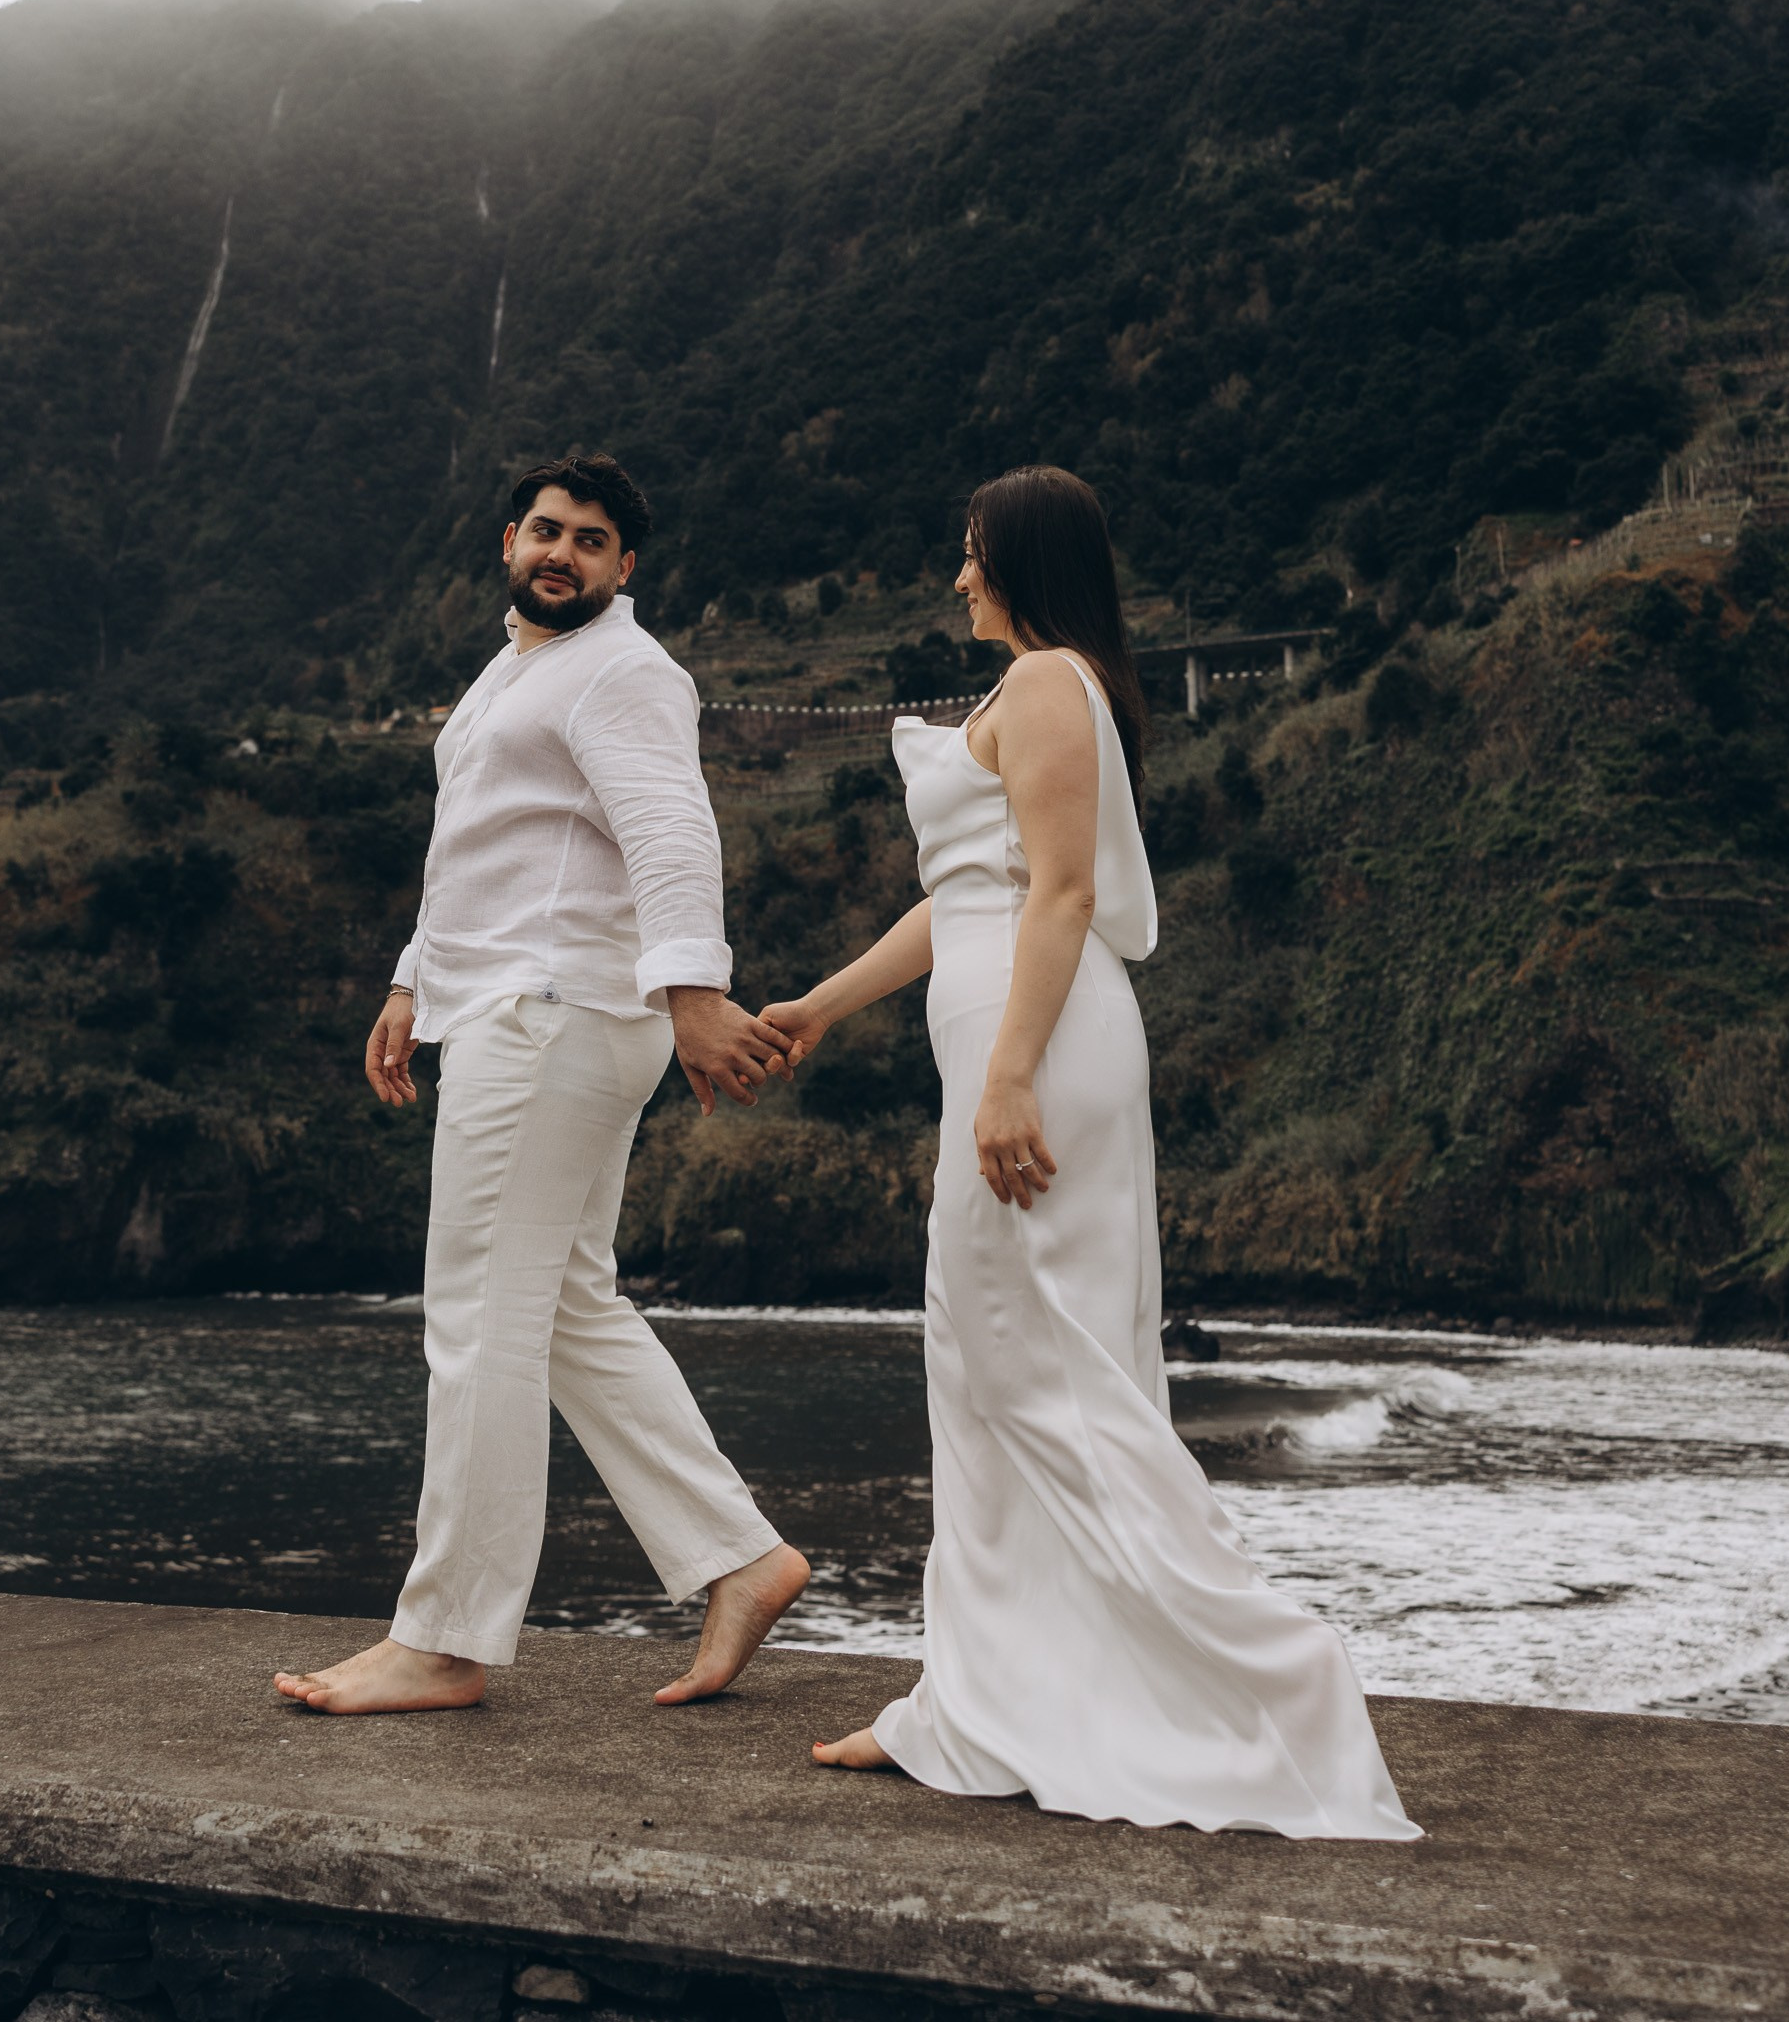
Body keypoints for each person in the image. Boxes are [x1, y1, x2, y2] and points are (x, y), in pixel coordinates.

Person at [764, 466, 1418, 1836]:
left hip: (1042, 1050)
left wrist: (1007, 1079)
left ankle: (1271, 1683)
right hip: (1010, 1041)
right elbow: (966, 897)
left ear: (1021, 558)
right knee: (988, 1365)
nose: (957, 578)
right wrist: (822, 1006)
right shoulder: (1024, 693)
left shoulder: (1054, 683)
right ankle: (981, 1700)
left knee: (1043, 1368)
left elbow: (1058, 894)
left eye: (970, 553)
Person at [274, 448, 809, 1716]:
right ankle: (741, 1558)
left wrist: (691, 995)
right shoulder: (514, 674)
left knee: (475, 1317)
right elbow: (481, 848)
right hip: (521, 1003)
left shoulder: (624, 668)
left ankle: (447, 1639)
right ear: (508, 541)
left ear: (625, 567)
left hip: (560, 1009)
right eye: (545, 531)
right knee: (566, 1307)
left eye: (591, 540)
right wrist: (414, 981)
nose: (562, 552)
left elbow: (671, 830)